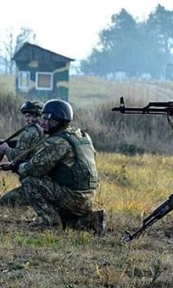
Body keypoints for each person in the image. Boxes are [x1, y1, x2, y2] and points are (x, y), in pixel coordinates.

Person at [15, 99, 107, 235]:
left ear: (56, 120)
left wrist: (18, 167)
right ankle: (91, 220)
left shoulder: (57, 142)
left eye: (47, 118)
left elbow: (33, 169)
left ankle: (51, 224)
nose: (43, 122)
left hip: (74, 198)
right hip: (87, 197)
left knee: (29, 181)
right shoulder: (80, 135)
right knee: (66, 220)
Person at [0, 100, 45, 207]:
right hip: (46, 181)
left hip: (35, 183)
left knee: (2, 204)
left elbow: (16, 157)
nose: (27, 119)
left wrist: (5, 149)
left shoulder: (30, 132)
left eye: (29, 116)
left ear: (37, 115)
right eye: (26, 116)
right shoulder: (47, 130)